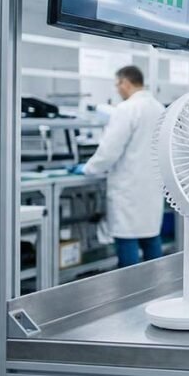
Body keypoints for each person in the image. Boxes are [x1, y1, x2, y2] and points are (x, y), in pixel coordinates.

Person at [71, 66, 166, 268]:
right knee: (151, 238)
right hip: (152, 188)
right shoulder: (159, 108)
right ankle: (159, 291)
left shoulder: (127, 109)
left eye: (117, 84)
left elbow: (109, 150)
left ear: (125, 82)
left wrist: (88, 168)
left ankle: (130, 294)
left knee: (127, 238)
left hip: (128, 188)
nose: (117, 90)